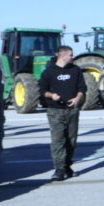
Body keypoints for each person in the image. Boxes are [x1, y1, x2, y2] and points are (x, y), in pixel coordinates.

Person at [38, 45, 87, 181]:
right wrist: (51, 95)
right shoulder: (49, 72)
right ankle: (59, 169)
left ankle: (67, 166)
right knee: (58, 140)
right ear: (63, 55)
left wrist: (77, 98)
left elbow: (82, 88)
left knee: (71, 141)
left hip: (72, 110)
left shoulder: (75, 70)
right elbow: (42, 90)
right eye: (71, 55)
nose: (73, 57)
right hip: (55, 111)